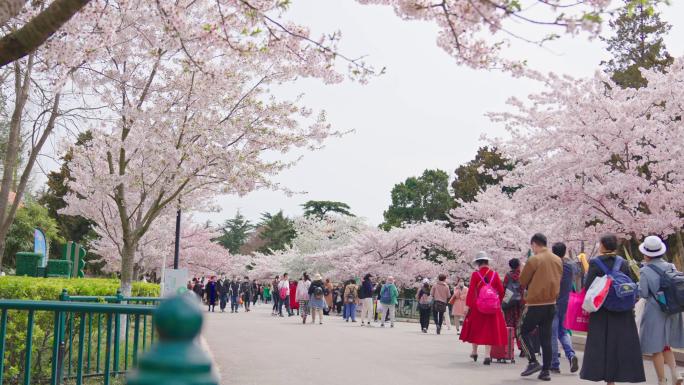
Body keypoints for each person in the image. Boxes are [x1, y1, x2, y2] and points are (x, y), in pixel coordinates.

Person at [580, 234, 645, 384]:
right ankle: (619, 376)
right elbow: (629, 285)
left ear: (602, 245)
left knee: (602, 344)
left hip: (602, 310)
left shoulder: (595, 263)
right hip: (622, 311)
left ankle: (606, 378)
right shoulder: (622, 262)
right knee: (620, 344)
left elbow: (589, 286)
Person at [638, 236, 684, 385]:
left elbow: (644, 293)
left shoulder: (645, 270)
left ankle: (661, 380)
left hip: (655, 310)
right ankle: (675, 373)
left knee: (656, 347)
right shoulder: (671, 266)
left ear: (647, 254)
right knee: (666, 345)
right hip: (672, 309)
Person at [518, 233, 562, 381]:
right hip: (551, 304)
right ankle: (546, 371)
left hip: (535, 303)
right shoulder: (557, 259)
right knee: (546, 338)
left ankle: (532, 361)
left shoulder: (534, 259)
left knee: (522, 331)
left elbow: (523, 280)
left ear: (534, 244)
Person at [460, 251, 507, 365]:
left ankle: (474, 352)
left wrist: (468, 306)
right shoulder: (495, 274)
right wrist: (496, 303)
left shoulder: (475, 275)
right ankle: (487, 356)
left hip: (478, 307)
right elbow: (501, 291)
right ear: (487, 262)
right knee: (490, 330)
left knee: (476, 329)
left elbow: (471, 292)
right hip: (492, 308)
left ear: (477, 263)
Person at [550, 242, 579, 374]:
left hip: (553, 303)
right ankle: (571, 355)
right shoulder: (570, 267)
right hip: (565, 303)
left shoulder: (552, 267)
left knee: (553, 333)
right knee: (563, 332)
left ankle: (554, 364)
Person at [503, 258, 525, 356]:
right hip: (520, 303)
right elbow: (524, 287)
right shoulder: (522, 275)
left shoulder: (508, 275)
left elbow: (504, 287)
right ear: (519, 265)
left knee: (509, 325)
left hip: (509, 302)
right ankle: (522, 348)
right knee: (519, 326)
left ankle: (508, 347)